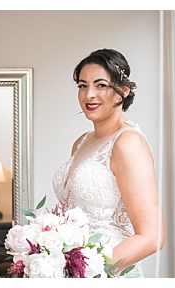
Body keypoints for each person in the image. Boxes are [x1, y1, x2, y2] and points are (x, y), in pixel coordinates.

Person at [52, 48, 165, 277]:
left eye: (100, 85)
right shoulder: (81, 142)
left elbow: (152, 236)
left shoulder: (128, 142)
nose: (89, 95)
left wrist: (88, 272)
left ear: (122, 91)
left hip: (109, 274)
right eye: (82, 86)